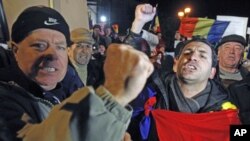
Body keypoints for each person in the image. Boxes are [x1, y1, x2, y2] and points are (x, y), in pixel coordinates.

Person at [0, 6, 154, 141]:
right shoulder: (5, 99)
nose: (52, 55)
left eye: (59, 46)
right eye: (39, 45)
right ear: (15, 50)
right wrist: (113, 98)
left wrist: (110, 132)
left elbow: (123, 62)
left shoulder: (70, 84)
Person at [124, 4, 239, 141]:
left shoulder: (226, 111)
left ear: (212, 73)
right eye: (188, 53)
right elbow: (128, 66)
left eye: (202, 55)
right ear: (175, 64)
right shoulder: (151, 94)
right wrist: (138, 23)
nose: (193, 57)